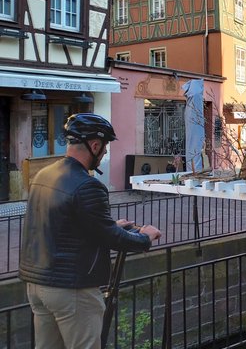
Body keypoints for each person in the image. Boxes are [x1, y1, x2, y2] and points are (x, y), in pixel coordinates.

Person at [19, 114, 163, 349]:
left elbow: (56, 223)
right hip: (71, 289)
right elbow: (111, 237)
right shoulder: (88, 184)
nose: (105, 152)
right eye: (104, 146)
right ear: (94, 145)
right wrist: (144, 237)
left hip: (37, 285)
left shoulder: (43, 175)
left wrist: (107, 225)